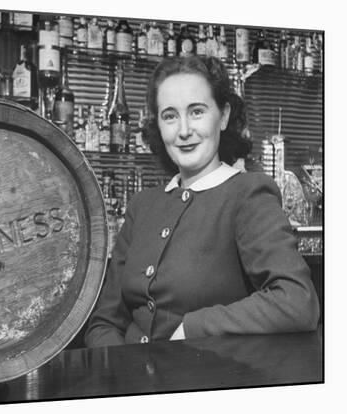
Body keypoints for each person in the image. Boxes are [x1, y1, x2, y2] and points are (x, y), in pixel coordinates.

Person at [84, 56, 319, 347]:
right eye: (170, 115)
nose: (183, 131)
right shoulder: (141, 206)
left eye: (196, 112)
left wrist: (193, 327)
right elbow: (104, 322)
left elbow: (297, 301)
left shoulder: (248, 194)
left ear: (222, 116)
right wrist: (122, 376)